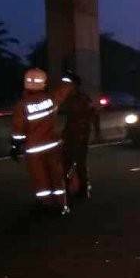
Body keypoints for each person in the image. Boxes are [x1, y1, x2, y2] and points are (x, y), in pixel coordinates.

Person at [10, 68, 74, 215]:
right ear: (44, 83)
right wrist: (68, 79)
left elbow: (18, 129)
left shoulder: (22, 105)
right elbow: (63, 91)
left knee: (41, 179)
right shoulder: (51, 99)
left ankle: (46, 205)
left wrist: (15, 146)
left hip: (34, 150)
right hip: (53, 146)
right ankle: (62, 205)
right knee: (57, 176)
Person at [60, 70, 100, 200]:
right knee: (66, 162)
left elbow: (94, 115)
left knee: (79, 162)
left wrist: (97, 132)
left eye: (69, 84)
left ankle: (83, 189)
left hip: (81, 135)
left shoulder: (82, 99)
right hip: (69, 134)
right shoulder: (65, 98)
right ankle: (70, 188)